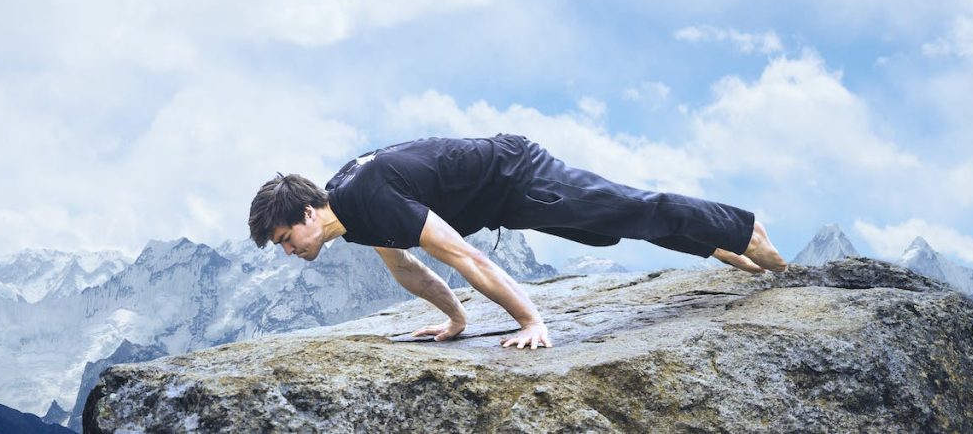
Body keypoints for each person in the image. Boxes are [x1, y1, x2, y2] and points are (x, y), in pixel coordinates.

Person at [248, 133, 786, 351]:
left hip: (518, 175)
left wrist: (532, 321)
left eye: (286, 238)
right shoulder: (351, 212)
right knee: (604, 231)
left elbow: (463, 255)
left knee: (630, 209)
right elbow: (406, 269)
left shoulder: (368, 197)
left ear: (308, 211)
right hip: (509, 200)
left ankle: (742, 228)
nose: (290, 250)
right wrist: (458, 321)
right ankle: (713, 243)